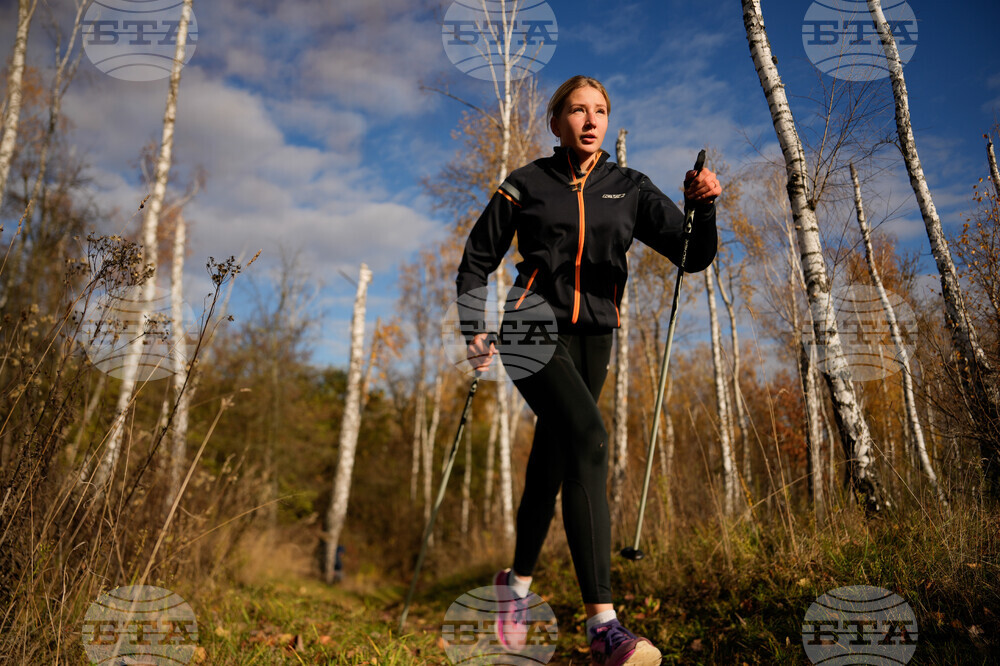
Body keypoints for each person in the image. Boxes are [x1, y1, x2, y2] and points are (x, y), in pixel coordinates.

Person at [455, 75, 721, 666]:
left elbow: (692, 256)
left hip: (595, 337)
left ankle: (514, 589)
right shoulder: (526, 184)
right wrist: (473, 322)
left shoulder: (629, 187)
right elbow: (477, 258)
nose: (590, 119)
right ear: (556, 122)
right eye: (577, 110)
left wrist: (704, 208)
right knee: (590, 439)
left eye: (600, 110)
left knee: (553, 461)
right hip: (528, 328)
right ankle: (603, 625)